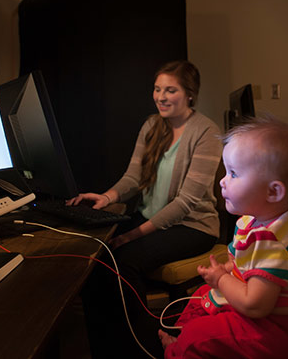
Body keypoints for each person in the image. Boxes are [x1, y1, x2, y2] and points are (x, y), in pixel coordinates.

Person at [68, 60, 222, 358]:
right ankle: (107, 347)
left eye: (170, 90)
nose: (161, 96)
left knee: (125, 261)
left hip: (192, 227)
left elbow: (186, 203)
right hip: (151, 219)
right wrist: (107, 197)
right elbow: (133, 177)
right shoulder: (152, 125)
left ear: (190, 94)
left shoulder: (206, 132)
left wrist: (132, 235)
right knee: (96, 256)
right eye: (157, 89)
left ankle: (146, 348)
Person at [160, 116, 288, 359]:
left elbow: (255, 304)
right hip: (262, 316)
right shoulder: (258, 221)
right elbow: (254, 267)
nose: (223, 181)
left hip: (276, 331)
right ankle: (182, 339)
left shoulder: (271, 241)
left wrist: (223, 278)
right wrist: (231, 268)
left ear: (273, 191)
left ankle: (180, 349)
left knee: (198, 337)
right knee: (200, 296)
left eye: (233, 173)